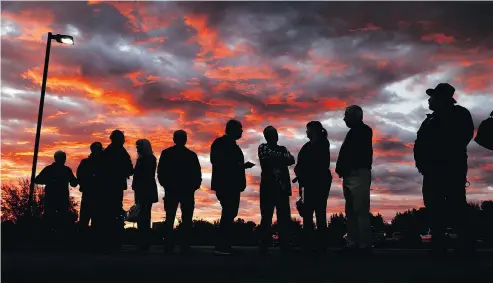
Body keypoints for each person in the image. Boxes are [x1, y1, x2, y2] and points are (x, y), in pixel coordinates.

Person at [413, 83, 475, 256]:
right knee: (434, 208)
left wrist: (442, 155)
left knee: (457, 207)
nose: (429, 100)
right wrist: (422, 164)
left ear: (441, 98)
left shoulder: (460, 114)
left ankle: (466, 247)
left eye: (432, 97)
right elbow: (420, 143)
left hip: (451, 169)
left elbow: (463, 137)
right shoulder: (429, 120)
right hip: (431, 171)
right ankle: (438, 246)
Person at [210, 119, 255, 255]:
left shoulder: (233, 145)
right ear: (232, 129)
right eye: (240, 129)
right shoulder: (220, 143)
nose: (242, 131)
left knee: (230, 213)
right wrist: (240, 166)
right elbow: (217, 161)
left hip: (233, 185)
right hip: (225, 184)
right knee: (228, 212)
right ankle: (221, 246)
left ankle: (224, 245)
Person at [335, 105, 374, 255]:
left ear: (356, 116)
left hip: (358, 173)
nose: (344, 118)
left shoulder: (363, 131)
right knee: (351, 211)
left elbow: (355, 153)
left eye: (347, 115)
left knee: (360, 210)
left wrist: (345, 166)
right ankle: (353, 243)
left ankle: (364, 245)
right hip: (350, 174)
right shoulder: (354, 132)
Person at [157, 130, 202, 254]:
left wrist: (166, 185)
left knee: (173, 218)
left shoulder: (167, 153)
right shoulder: (190, 155)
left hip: (177, 190)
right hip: (181, 191)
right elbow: (197, 174)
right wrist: (193, 186)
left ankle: (172, 245)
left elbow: (160, 172)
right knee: (182, 219)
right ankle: (182, 245)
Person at [294, 121, 332, 254]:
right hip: (309, 184)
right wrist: (300, 174)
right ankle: (310, 245)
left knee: (319, 213)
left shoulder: (322, 144)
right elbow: (299, 165)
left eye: (308, 130)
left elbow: (318, 164)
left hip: (319, 183)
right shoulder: (307, 146)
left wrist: (303, 173)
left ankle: (320, 246)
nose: (306, 132)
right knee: (309, 214)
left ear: (314, 130)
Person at [258, 126, 295, 255]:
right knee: (266, 217)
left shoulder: (282, 148)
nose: (275, 136)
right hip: (268, 188)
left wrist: (277, 157)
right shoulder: (262, 147)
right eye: (272, 134)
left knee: (284, 218)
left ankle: (285, 246)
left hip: (282, 188)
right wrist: (282, 158)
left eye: (275, 133)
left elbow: (291, 159)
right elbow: (266, 157)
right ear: (267, 136)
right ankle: (263, 246)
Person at [35, 151, 78, 244]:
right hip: (52, 198)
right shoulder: (50, 169)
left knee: (60, 219)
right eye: (62, 157)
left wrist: (77, 181)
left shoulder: (66, 170)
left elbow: (73, 182)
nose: (63, 160)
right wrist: (51, 180)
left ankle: (59, 241)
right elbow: (37, 180)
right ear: (56, 158)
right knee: (50, 218)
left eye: (63, 158)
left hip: (61, 199)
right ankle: (47, 240)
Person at [101, 130, 134, 252]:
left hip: (110, 187)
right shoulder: (120, 152)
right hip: (114, 186)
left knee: (110, 213)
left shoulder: (108, 152)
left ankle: (110, 242)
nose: (123, 140)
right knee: (114, 213)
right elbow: (130, 169)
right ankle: (113, 242)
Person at [132, 139, 158, 252]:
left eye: (138, 146)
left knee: (143, 215)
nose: (137, 148)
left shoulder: (147, 160)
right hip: (145, 189)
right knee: (143, 215)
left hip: (145, 189)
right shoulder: (147, 159)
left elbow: (144, 175)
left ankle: (143, 242)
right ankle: (143, 241)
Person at [76, 142, 104, 231]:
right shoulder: (101, 163)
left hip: (95, 194)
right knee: (88, 220)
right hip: (92, 194)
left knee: (93, 220)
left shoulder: (87, 162)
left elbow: (79, 175)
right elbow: (79, 175)